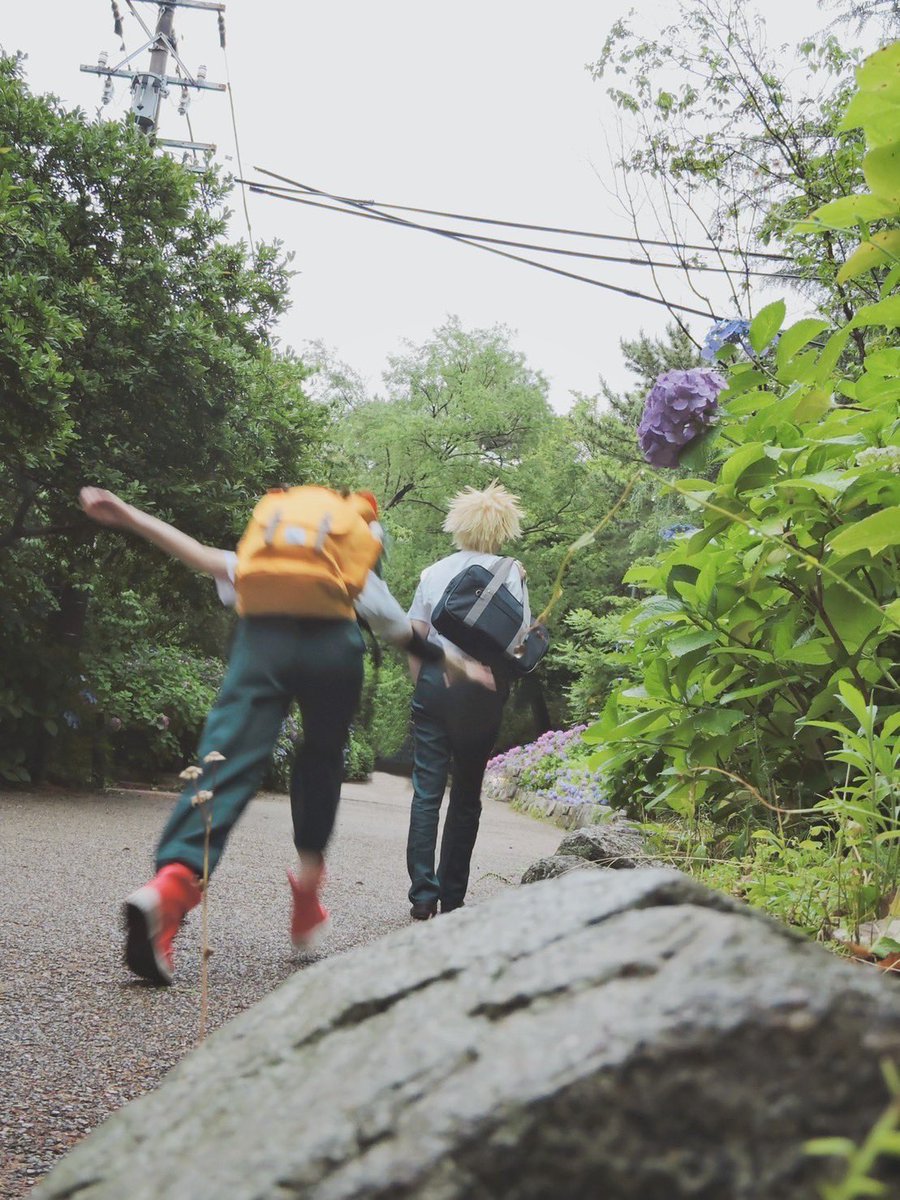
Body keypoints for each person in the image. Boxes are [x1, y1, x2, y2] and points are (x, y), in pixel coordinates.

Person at [79, 485, 491, 985]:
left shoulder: (269, 555)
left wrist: (128, 514)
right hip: (335, 647)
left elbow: (201, 556)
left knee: (227, 758)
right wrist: (460, 666)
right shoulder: (347, 565)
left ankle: (173, 885)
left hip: (262, 641)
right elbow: (398, 629)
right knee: (320, 762)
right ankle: (307, 899)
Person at [405, 481, 529, 920]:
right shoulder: (510, 573)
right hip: (482, 691)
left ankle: (423, 893)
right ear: (503, 528)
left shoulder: (433, 572)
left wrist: (423, 687)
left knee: (426, 790)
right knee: (466, 794)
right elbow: (518, 640)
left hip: (435, 684)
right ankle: (453, 896)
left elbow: (416, 637)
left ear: (457, 524)